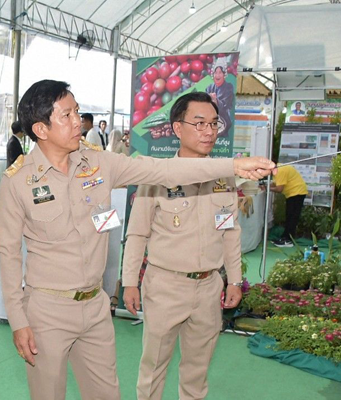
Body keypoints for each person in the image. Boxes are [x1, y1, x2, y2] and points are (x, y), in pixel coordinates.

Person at [0, 79, 274, 400]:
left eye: (77, 112)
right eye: (67, 115)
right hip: (47, 309)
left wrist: (235, 165)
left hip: (95, 307)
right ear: (41, 129)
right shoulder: (18, 182)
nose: (78, 122)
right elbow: (8, 254)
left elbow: (163, 171)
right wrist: (18, 320)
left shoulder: (100, 163)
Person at [122, 92, 243, 400]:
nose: (208, 131)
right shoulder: (156, 176)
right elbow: (137, 233)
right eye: (199, 123)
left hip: (208, 287)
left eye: (214, 124)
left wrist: (235, 279)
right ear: (177, 128)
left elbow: (230, 231)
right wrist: (129, 282)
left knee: (197, 371)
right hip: (166, 285)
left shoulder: (223, 176)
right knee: (153, 367)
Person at [269, 165, 308, 247]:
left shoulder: (280, 171)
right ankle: (285, 237)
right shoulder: (278, 169)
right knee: (289, 216)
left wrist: (267, 188)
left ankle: (288, 240)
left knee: (292, 217)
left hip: (297, 192)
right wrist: (268, 186)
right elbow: (276, 183)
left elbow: (279, 189)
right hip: (294, 193)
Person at [205, 59, 234, 137]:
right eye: (216, 72)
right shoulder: (209, 88)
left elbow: (225, 104)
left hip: (223, 123)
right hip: (209, 124)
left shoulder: (229, 87)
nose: (217, 75)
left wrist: (215, 100)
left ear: (224, 74)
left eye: (220, 72)